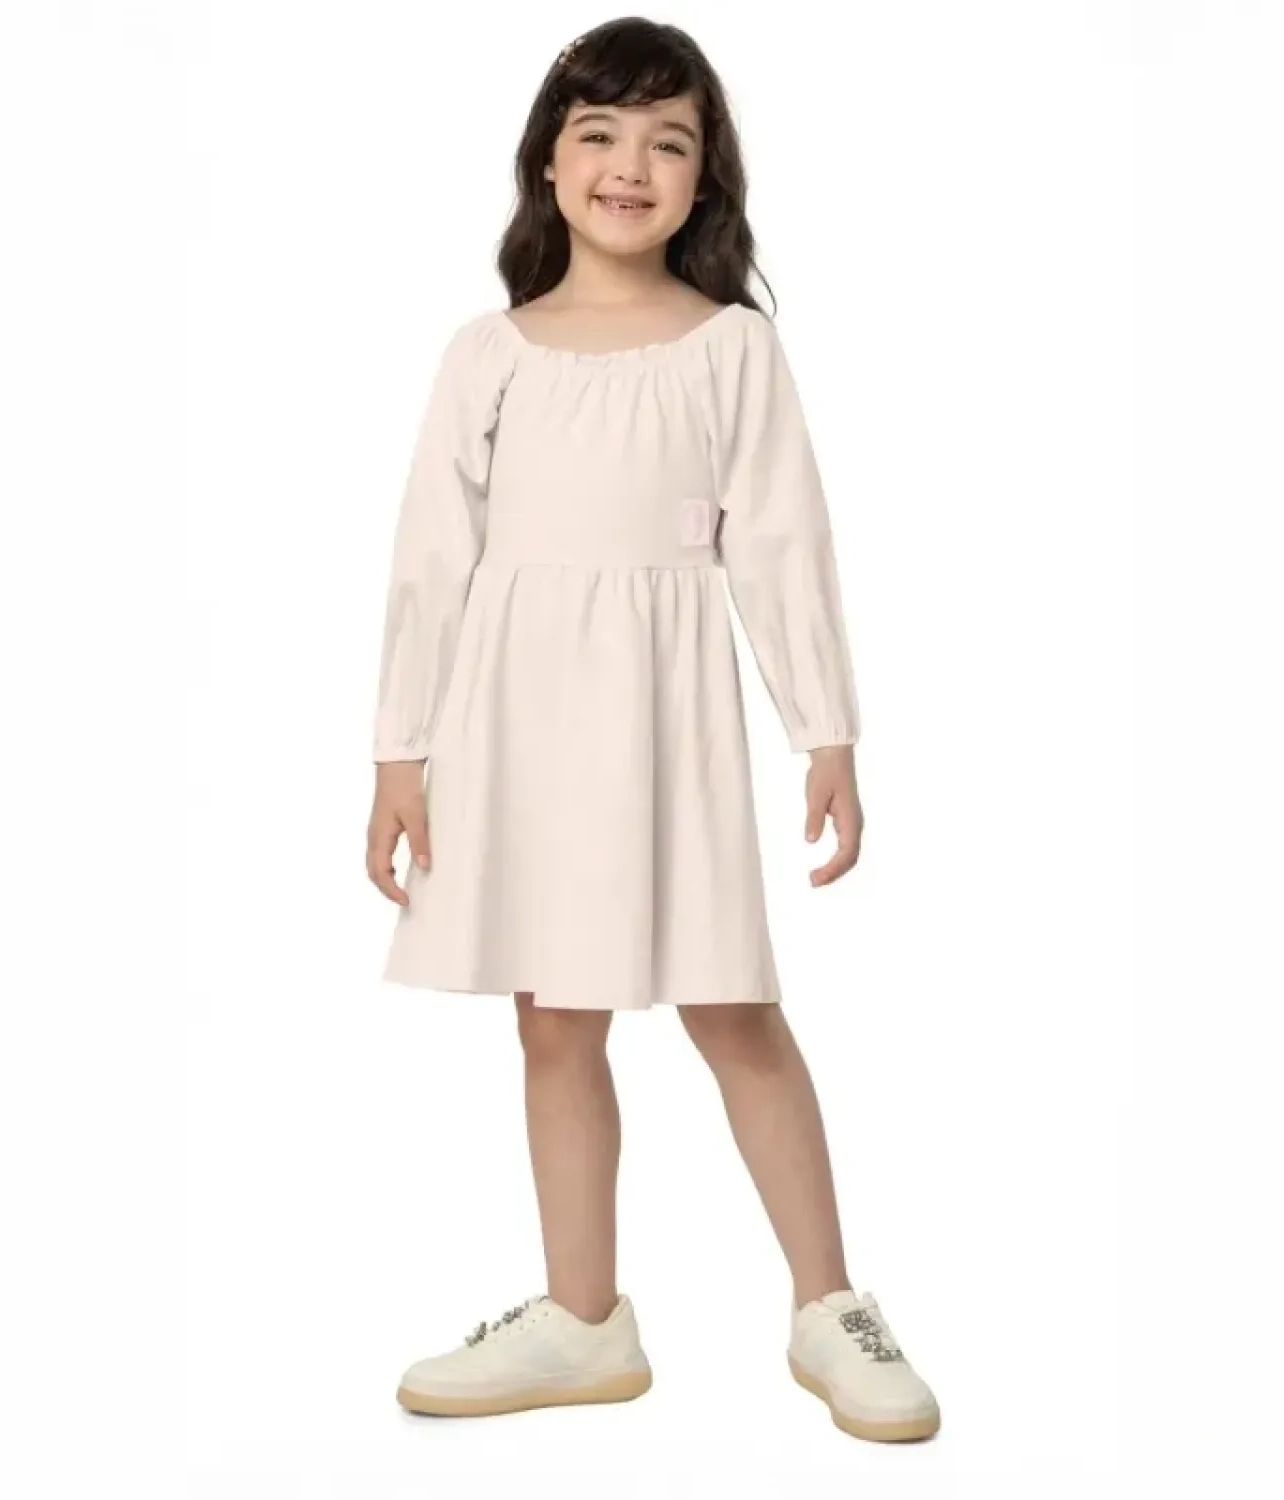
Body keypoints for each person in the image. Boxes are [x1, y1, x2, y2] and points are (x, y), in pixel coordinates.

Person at [364, 18, 940, 1445]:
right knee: (551, 1015)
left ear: (703, 180)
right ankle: (584, 1319)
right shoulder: (489, 353)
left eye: (667, 142)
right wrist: (399, 751)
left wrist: (825, 729)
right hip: (512, 713)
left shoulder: (729, 349)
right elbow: (430, 557)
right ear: (549, 163)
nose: (630, 165)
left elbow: (783, 541)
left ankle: (829, 1307)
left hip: (662, 708)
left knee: (730, 1001)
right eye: (601, 134)